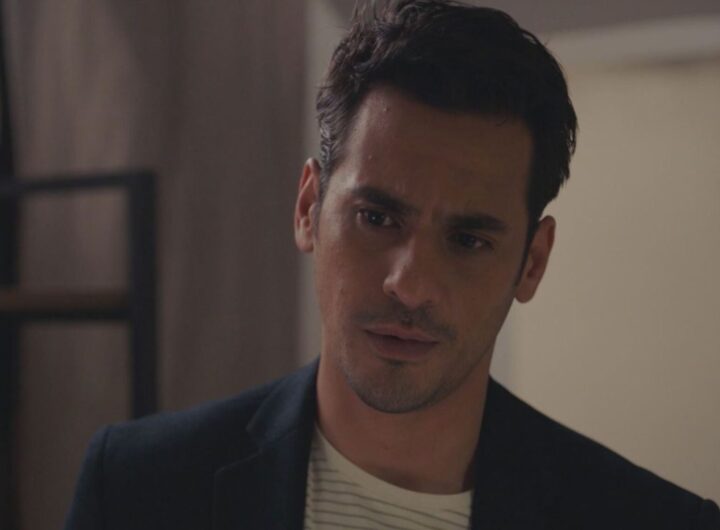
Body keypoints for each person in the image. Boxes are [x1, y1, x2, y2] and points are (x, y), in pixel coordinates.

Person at [65, 1, 720, 528]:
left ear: (532, 262)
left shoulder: (655, 521)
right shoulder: (137, 488)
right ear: (308, 208)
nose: (409, 283)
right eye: (377, 218)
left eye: (469, 240)